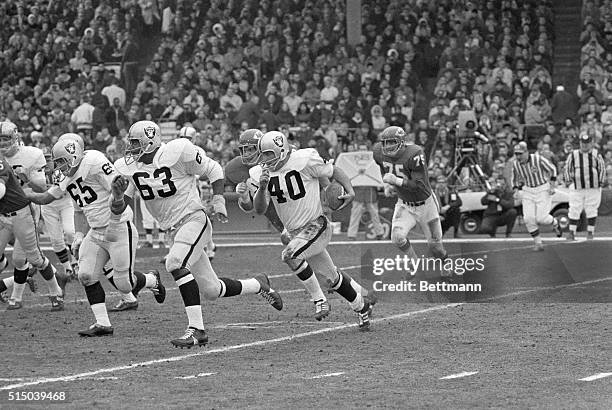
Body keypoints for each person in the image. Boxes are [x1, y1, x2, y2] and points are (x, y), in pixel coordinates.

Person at [113, 121, 283, 348]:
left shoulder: (177, 151)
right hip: (174, 229)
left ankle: (197, 330)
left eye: (136, 143)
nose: (131, 148)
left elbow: (213, 169)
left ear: (150, 140)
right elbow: (121, 208)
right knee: (212, 290)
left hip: (194, 219)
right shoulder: (128, 168)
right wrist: (115, 197)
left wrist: (218, 198)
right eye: (130, 143)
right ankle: (258, 284)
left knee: (174, 263)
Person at [25, 134, 165, 336]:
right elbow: (60, 203)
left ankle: (152, 280)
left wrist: (117, 195)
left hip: (118, 227)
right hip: (96, 231)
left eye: (62, 162)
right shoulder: (67, 177)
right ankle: (103, 323)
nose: (59, 167)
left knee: (124, 284)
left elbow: (119, 190)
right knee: (86, 275)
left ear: (73, 155)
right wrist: (79, 235)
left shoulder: (94, 161)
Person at [252, 131, 375, 330]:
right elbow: (259, 209)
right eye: (262, 154)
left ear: (282, 151)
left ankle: (319, 299)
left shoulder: (304, 159)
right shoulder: (261, 173)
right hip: (296, 233)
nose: (264, 159)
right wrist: (261, 187)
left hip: (316, 225)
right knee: (331, 277)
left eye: (268, 154)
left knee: (289, 255)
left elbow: (333, 170)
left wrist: (350, 191)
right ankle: (361, 305)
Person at [227, 129, 330, 320]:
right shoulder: (242, 169)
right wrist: (242, 197)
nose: (246, 154)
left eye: (251, 149)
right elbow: (250, 207)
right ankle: (350, 296)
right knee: (303, 254)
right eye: (243, 150)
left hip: (298, 211)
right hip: (276, 213)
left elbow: (318, 173)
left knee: (299, 252)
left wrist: (329, 191)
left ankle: (335, 295)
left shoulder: (287, 158)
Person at [0, 121, 64, 311]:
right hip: (3, 215)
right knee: (17, 259)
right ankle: (14, 295)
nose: (2, 143)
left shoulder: (30, 155)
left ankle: (55, 292)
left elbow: (42, 187)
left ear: (15, 138)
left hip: (23, 210)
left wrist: (26, 178)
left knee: (29, 258)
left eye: (5, 139)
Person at [374, 126, 452, 278]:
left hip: (425, 204)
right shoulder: (378, 152)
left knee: (435, 247)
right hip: (404, 204)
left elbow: (418, 185)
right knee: (397, 237)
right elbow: (383, 169)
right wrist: (388, 185)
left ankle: (445, 262)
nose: (387, 146)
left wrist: (395, 180)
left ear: (402, 142)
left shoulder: (415, 153)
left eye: (392, 142)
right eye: (385, 143)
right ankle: (413, 261)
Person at [510, 141, 562, 251]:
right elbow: (514, 179)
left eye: (520, 154)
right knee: (528, 218)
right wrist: (515, 190)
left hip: (542, 187)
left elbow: (552, 169)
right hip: (528, 189)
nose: (518, 157)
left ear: (526, 152)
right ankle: (538, 243)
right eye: (516, 154)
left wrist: (552, 186)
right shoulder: (515, 164)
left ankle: (555, 222)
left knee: (542, 218)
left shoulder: (537, 159)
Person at [563, 133, 606, 240]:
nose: (585, 145)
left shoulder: (596, 154)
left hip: (593, 186)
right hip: (577, 186)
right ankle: (572, 232)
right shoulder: (573, 154)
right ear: (580, 143)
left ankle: (590, 232)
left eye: (587, 143)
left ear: (591, 143)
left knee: (591, 208)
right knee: (574, 208)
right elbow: (567, 167)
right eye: (583, 143)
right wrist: (568, 180)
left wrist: (601, 181)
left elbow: (602, 168)